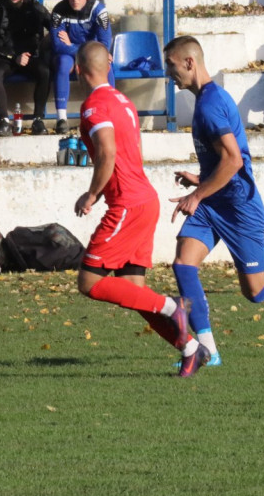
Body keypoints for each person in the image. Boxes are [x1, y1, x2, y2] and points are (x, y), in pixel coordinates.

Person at [163, 35, 264, 367]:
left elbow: (234, 161)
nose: (169, 74)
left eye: (171, 65)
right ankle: (208, 350)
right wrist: (200, 181)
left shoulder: (209, 104)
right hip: (213, 203)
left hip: (238, 207)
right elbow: (223, 159)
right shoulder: (207, 99)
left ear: (189, 62)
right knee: (183, 265)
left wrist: (197, 194)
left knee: (257, 291)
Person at [71, 43, 207, 377]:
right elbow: (130, 154)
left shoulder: (94, 106)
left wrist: (92, 194)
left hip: (128, 205)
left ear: (77, 69)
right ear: (109, 66)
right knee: (134, 292)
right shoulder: (123, 101)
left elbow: (108, 154)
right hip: (143, 199)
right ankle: (191, 349)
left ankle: (174, 306)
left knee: (89, 282)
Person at [0, 0, 52, 136]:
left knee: (45, 71)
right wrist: (14, 56)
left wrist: (59, 38)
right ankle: (4, 121)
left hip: (30, 56)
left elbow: (54, 27)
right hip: (6, 58)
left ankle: (38, 119)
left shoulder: (36, 9)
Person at [50, 0, 112, 135]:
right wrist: (76, 49)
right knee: (62, 64)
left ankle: (110, 112)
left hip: (88, 52)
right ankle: (61, 119)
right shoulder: (58, 10)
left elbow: (105, 43)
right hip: (70, 54)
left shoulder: (99, 10)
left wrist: (72, 45)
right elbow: (58, 45)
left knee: (107, 66)